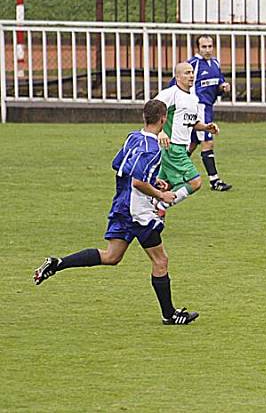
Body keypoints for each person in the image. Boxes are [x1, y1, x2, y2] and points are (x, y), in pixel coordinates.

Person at [33, 100, 199, 325]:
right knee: (161, 260)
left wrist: (154, 180)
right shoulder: (152, 149)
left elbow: (118, 164)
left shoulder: (133, 138)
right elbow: (139, 182)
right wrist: (162, 196)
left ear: (144, 117)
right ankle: (169, 315)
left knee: (112, 256)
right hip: (137, 212)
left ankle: (57, 263)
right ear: (163, 119)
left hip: (121, 205)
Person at [153, 62, 220, 214]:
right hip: (172, 147)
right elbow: (151, 110)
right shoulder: (170, 94)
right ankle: (161, 206)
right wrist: (160, 131)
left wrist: (205, 127)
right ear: (177, 76)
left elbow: (191, 122)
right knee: (195, 183)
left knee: (163, 184)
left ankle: (144, 208)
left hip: (180, 147)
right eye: (186, 73)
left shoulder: (193, 98)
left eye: (192, 72)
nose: (191, 76)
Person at [186, 34, 233, 192]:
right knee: (207, 142)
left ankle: (168, 173)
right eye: (204, 47)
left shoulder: (215, 63)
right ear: (197, 48)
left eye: (210, 46)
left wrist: (223, 87)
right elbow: (178, 83)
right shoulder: (192, 64)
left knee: (192, 144)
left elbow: (218, 83)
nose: (207, 50)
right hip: (199, 107)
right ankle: (214, 180)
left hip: (208, 107)